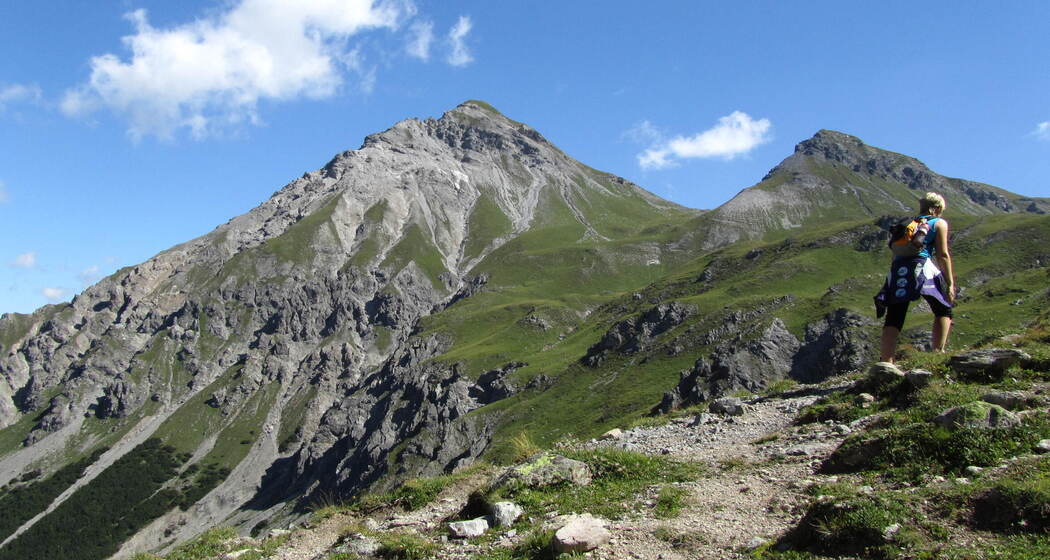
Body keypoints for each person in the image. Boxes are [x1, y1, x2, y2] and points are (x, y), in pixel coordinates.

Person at [877, 192, 957, 362]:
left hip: (898, 270)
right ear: (935, 209)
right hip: (922, 267)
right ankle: (937, 353)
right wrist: (949, 283)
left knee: (894, 316)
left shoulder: (909, 225)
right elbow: (942, 254)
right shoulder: (938, 223)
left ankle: (886, 362)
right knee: (943, 307)